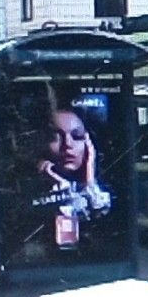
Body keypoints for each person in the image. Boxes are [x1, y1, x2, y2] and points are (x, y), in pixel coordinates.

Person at [31, 105, 112, 250]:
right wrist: (60, 185)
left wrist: (89, 177)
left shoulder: (100, 187)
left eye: (77, 136)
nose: (68, 144)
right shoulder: (30, 187)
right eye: (56, 137)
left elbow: (101, 215)